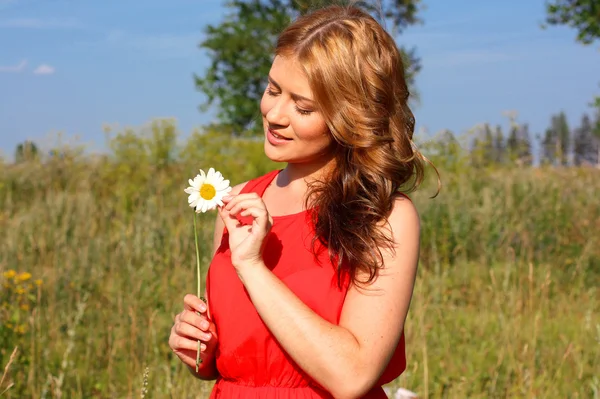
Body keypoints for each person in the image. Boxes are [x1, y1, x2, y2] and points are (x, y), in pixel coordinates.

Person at [169, 5, 428, 398]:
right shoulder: (237, 203)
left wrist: (252, 268)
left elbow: (351, 376)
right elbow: (243, 361)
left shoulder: (385, 217)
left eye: (302, 107)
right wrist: (200, 349)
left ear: (350, 116)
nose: (274, 114)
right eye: (273, 89)